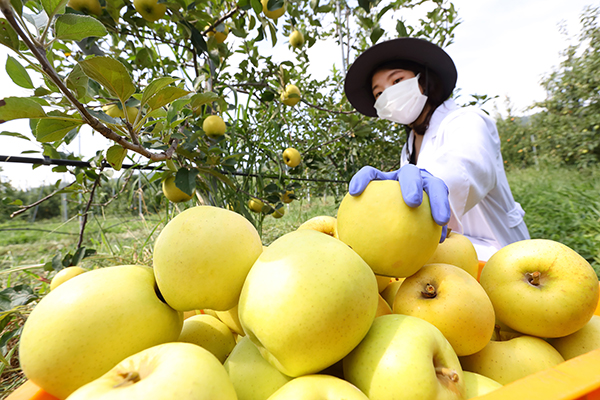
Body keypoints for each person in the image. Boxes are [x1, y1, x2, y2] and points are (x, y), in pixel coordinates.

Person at [343, 37, 530, 261]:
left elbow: (466, 162)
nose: (389, 95)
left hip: (499, 253)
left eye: (397, 81)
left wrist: (433, 180)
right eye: (379, 94)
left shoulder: (465, 120)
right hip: (448, 262)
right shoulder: (409, 146)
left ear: (423, 80)